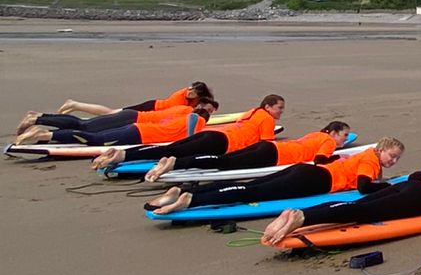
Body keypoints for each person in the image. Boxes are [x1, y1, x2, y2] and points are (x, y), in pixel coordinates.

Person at [262, 152, 421, 247]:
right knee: (364, 213)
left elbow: (417, 174)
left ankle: (300, 213)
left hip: (415, 186)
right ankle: (303, 217)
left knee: (358, 205)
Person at [149, 138, 404, 217]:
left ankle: (183, 194)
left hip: (305, 170)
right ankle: (190, 201)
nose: (391, 162)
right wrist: (385, 189)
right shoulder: (370, 160)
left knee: (251, 185)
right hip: (313, 181)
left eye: (396, 160)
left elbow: (330, 160)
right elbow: (362, 188)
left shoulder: (364, 155)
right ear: (381, 150)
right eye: (391, 156)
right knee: (252, 193)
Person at [97, 95, 285, 172]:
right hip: (223, 143)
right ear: (268, 106)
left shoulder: (253, 111)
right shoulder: (267, 119)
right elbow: (264, 145)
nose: (280, 112)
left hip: (215, 133)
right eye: (279, 108)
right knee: (176, 153)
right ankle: (122, 155)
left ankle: (124, 154)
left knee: (173, 148)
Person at [144, 118, 352, 185]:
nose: (344, 140)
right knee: (223, 163)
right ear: (333, 133)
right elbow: (320, 161)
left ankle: (176, 161)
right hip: (272, 155)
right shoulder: (328, 141)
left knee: (224, 159)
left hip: (269, 147)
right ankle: (175, 163)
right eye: (343, 136)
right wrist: (337, 157)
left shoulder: (315, 134)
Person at [15, 83, 214, 142]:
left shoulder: (185, 103)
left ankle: (40, 119)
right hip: (136, 116)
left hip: (138, 118)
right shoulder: (184, 107)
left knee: (86, 125)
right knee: (86, 126)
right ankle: (38, 121)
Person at [22, 95, 219, 153]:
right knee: (90, 134)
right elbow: (191, 123)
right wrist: (194, 138)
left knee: (88, 129)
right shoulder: (193, 115)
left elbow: (171, 124)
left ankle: (40, 121)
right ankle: (41, 131)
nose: (209, 114)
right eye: (209, 110)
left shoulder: (184, 112)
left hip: (137, 126)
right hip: (136, 126)